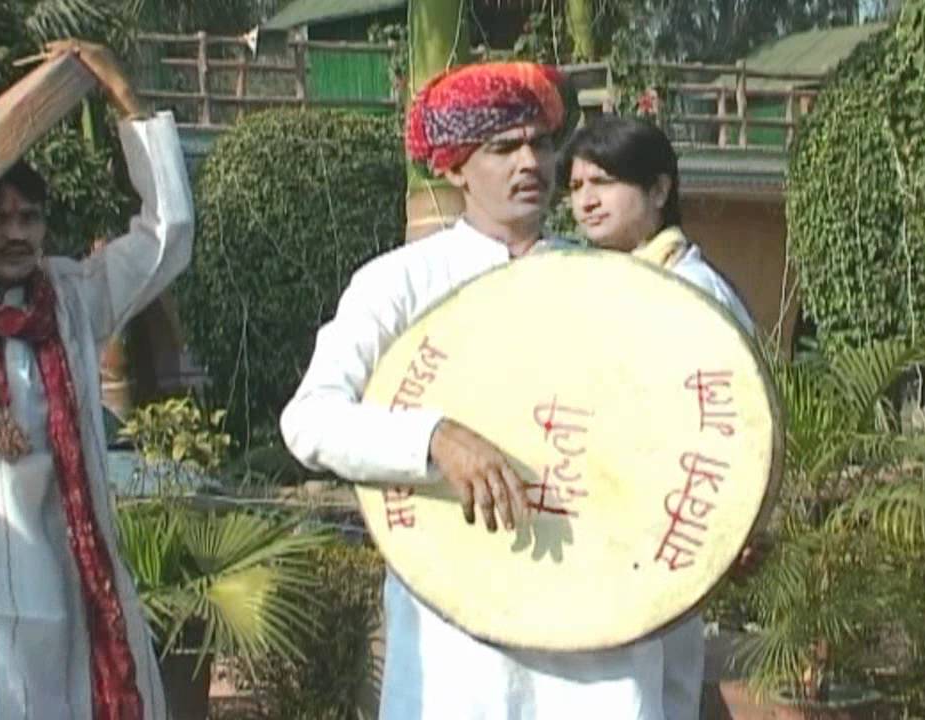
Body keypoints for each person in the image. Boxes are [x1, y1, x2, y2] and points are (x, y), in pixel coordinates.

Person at [280, 62, 688, 720]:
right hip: (455, 647)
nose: (530, 163)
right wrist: (434, 439)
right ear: (454, 170)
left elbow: (678, 423)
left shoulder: (613, 282)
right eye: (502, 148)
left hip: (598, 633)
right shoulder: (399, 283)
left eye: (540, 144)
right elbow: (310, 420)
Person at [0, 40, 193, 719]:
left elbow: (166, 235)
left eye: (28, 218)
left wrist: (126, 98)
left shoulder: (71, 300)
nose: (15, 234)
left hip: (74, 598)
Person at [562, 116, 756, 720]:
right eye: (576, 187)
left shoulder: (694, 292)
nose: (586, 201)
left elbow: (738, 426)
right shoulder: (587, 284)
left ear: (659, 189)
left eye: (604, 182)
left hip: (663, 529)